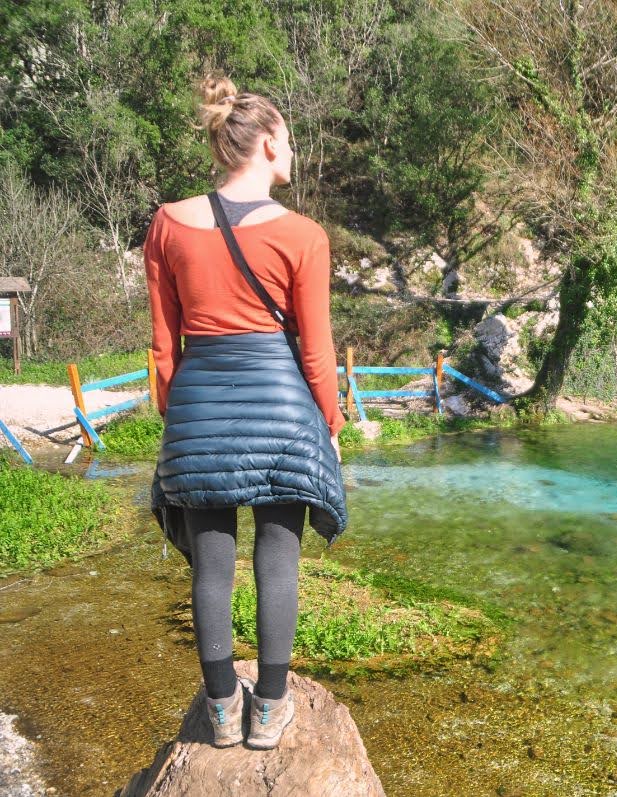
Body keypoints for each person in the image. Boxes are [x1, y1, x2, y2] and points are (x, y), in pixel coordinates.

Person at [143, 75, 348, 750]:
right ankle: (271, 709)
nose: (292, 152)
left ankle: (222, 708)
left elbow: (163, 346)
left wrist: (179, 422)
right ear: (264, 143)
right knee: (278, 562)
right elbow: (316, 352)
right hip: (283, 415)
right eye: (287, 139)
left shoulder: (168, 224)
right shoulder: (303, 235)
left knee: (210, 567)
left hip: (199, 410)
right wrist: (332, 428)